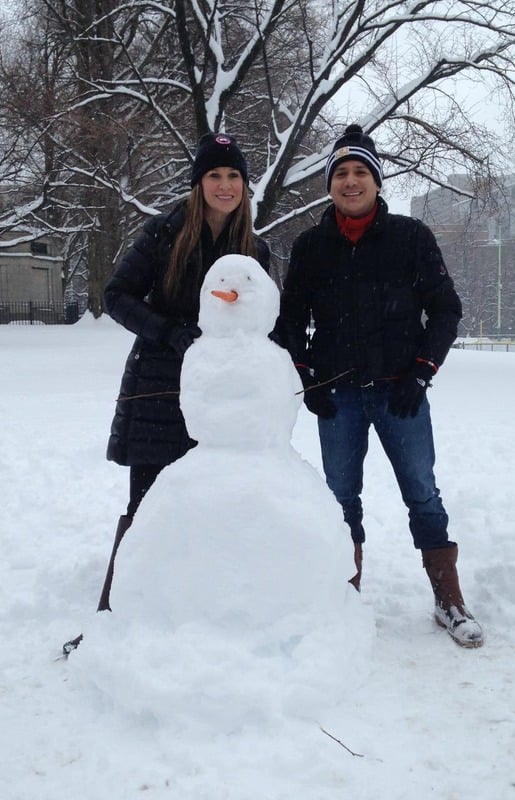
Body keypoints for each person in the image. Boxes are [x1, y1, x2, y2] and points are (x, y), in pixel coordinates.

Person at [273, 124, 483, 648]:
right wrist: (306, 376)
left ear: (377, 180)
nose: (350, 181)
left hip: (400, 393)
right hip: (338, 396)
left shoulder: (411, 238)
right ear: (329, 185)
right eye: (341, 173)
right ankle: (345, 597)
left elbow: (446, 310)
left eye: (360, 171)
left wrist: (422, 370)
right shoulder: (311, 246)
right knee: (340, 499)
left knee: (423, 494)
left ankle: (448, 599)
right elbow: (290, 320)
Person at [97, 132, 270, 614]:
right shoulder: (163, 234)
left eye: (233, 175)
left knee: (210, 504)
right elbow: (116, 296)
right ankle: (117, 613)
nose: (224, 185)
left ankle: (193, 614)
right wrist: (170, 332)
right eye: (214, 175)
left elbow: (266, 322)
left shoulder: (256, 251)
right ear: (198, 183)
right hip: (159, 385)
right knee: (148, 505)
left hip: (221, 395)